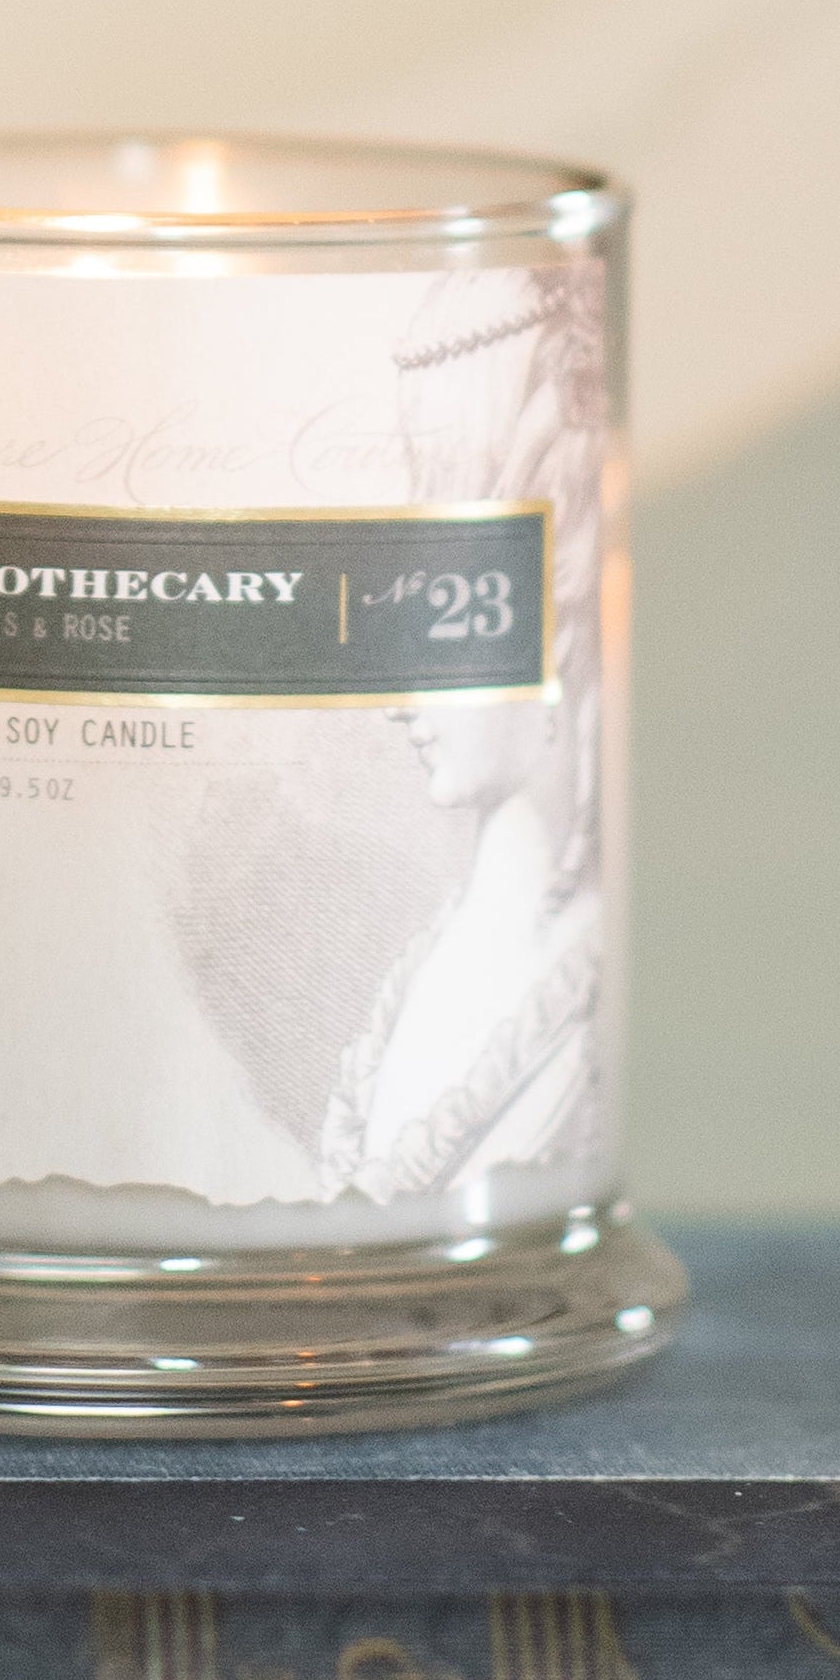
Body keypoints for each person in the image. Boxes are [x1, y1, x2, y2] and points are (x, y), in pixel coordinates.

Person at [313, 263, 607, 1207]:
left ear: (549, 628)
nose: (396, 701)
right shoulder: (436, 960)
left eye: (441, 619)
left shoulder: (580, 962)